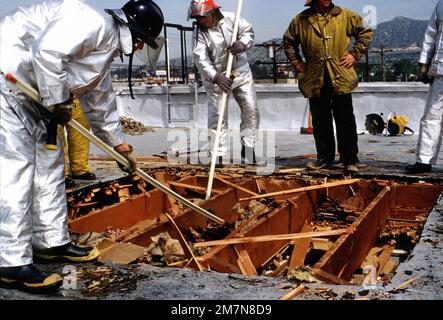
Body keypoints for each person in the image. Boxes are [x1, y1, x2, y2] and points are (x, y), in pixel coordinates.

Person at [0, 0, 163, 293]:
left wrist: (120, 146)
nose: (139, 49)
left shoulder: (104, 49)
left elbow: (100, 101)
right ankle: (10, 262)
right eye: (141, 41)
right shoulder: (91, 22)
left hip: (34, 95)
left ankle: (50, 242)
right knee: (16, 171)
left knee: (50, 166)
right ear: (133, 33)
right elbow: (47, 53)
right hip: (9, 82)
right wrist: (59, 101)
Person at [283, 0, 372, 173]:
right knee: (320, 119)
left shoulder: (346, 15)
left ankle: (349, 159)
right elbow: (288, 42)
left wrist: (354, 55)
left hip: (340, 75)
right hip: (315, 77)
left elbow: (365, 32)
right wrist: (297, 62)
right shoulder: (300, 20)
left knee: (345, 118)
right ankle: (324, 158)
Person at [189, 0, 260, 165]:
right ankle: (217, 154)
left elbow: (248, 31)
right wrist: (215, 76)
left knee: (251, 110)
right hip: (217, 78)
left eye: (203, 16)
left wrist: (243, 43)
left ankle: (248, 148)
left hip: (239, 72)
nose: (201, 20)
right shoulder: (199, 32)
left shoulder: (231, 19)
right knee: (218, 116)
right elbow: (200, 58)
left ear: (212, 12)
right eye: (197, 17)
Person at [406, 0, 443, 174]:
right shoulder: (441, 5)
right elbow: (431, 34)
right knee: (431, 117)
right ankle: (424, 161)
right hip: (440, 70)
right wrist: (424, 62)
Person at [59, 100, 96, 189]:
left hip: (77, 93)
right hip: (52, 94)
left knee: (80, 129)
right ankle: (60, 173)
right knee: (57, 133)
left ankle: (80, 168)